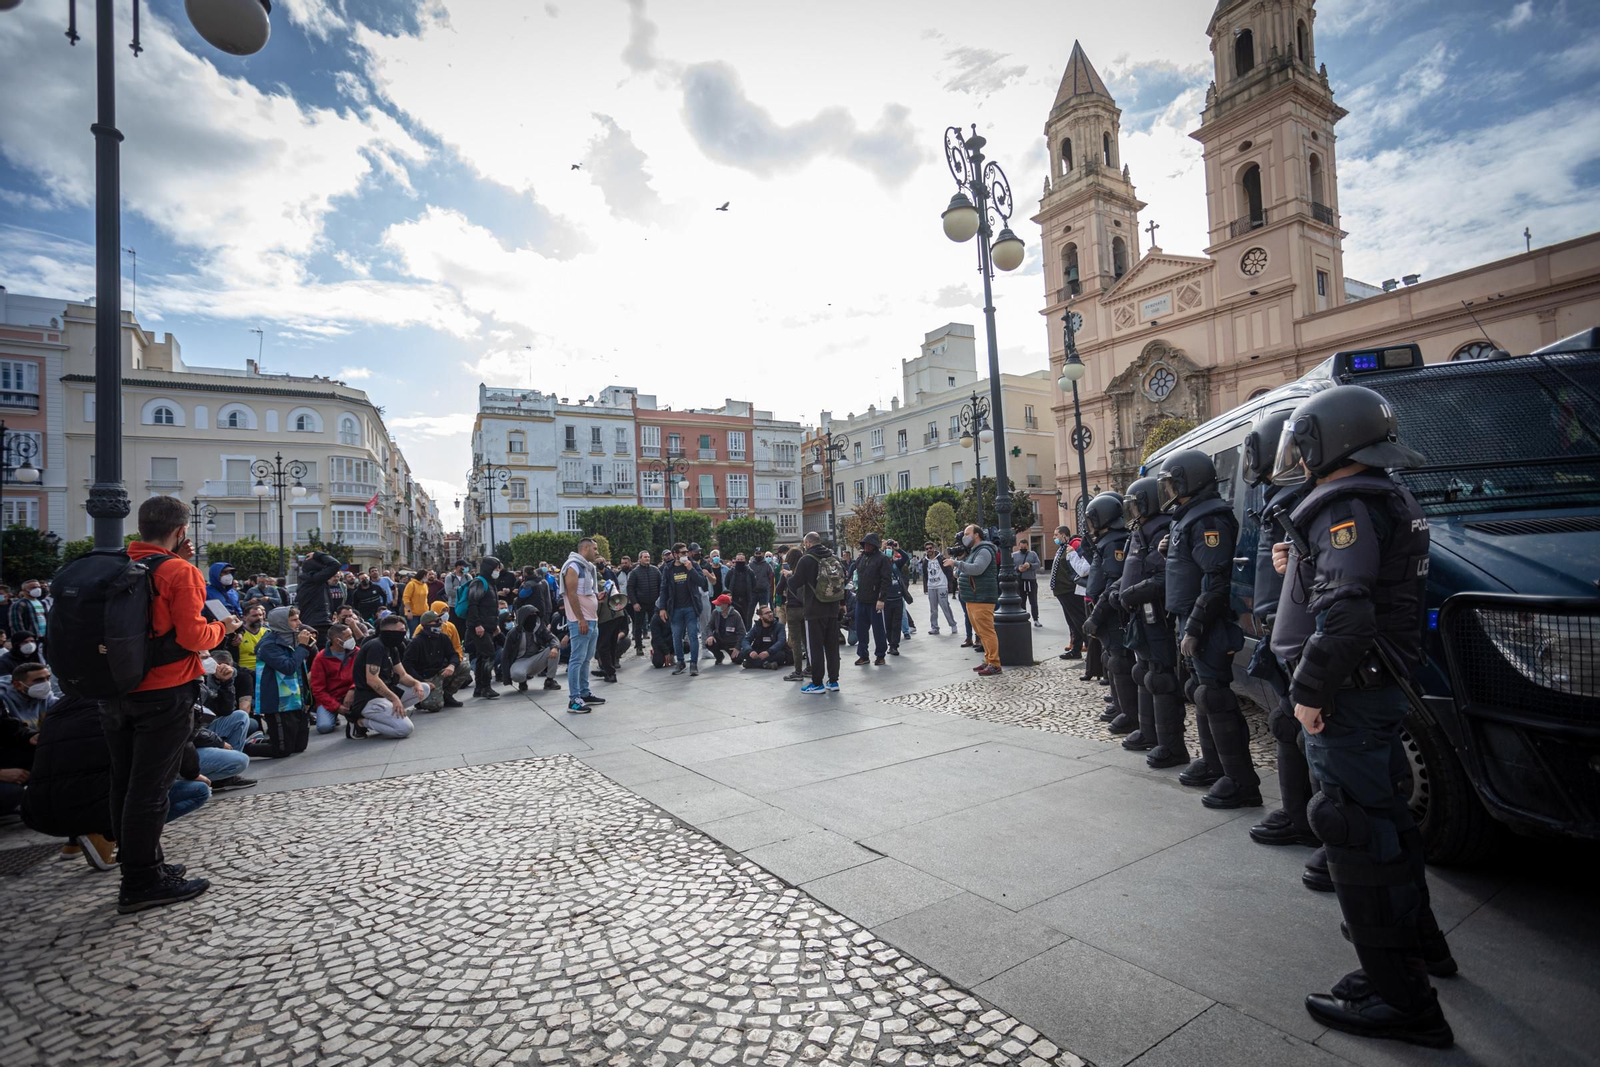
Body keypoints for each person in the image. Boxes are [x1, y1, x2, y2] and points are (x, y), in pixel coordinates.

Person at [1267, 384, 1455, 1047]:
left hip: (1348, 694)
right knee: (1387, 821)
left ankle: (1401, 998)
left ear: (1327, 442)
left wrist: (1309, 691)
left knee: (1351, 830)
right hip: (1374, 688)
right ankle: (1420, 950)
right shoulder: (1384, 493)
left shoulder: (1346, 502)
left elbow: (1347, 612)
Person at [101, 495, 240, 912]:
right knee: (151, 788)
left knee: (124, 781)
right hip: (164, 691)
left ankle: (141, 864)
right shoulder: (180, 571)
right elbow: (193, 638)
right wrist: (223, 627)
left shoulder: (119, 565)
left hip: (117, 689)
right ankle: (141, 882)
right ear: (181, 531)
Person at [1158, 449, 1261, 809]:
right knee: (1200, 692)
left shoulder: (1208, 519)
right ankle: (1215, 764)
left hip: (1206, 623)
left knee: (1215, 696)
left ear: (1189, 481)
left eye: (1172, 483)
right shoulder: (1189, 518)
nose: (1167, 490)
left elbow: (1215, 581)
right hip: (1189, 618)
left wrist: (1196, 627)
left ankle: (1241, 781)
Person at [1117, 478, 1182, 760]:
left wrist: (1132, 593)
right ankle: (1149, 733)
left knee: (1160, 677)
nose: (1130, 512)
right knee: (1142, 673)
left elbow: (1162, 576)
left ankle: (1172, 746)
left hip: (1155, 613)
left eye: (1134, 505)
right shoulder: (1141, 531)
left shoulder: (1160, 530)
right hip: (1138, 614)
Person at [1081, 492, 1137, 734]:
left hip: (1111, 611)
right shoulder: (1106, 540)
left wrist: (1098, 613)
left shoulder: (1114, 541)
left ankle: (1129, 713)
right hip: (1102, 608)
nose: (1090, 525)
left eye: (1092, 519)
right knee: (1110, 659)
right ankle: (1119, 705)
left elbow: (1113, 580)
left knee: (1118, 661)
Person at [244, 607, 317, 759]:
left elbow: (301, 670)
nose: (299, 623)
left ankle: (271, 739)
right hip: (279, 702)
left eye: (298, 618)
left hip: (297, 699)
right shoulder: (268, 645)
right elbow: (288, 667)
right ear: (281, 622)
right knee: (282, 750)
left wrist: (307, 698)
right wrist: (303, 647)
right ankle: (243, 747)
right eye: (294, 620)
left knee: (299, 747)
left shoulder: (294, 639)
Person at [349, 615, 430, 739]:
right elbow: (372, 680)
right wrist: (394, 699)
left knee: (424, 688)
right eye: (401, 630)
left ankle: (388, 715)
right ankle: (360, 722)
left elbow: (402, 675)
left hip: (386, 693)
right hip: (369, 698)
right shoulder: (375, 646)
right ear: (389, 632)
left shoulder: (392, 648)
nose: (403, 633)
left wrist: (416, 683)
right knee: (405, 729)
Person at [789, 531, 845, 693]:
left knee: (815, 648)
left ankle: (817, 683)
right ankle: (833, 681)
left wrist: (788, 577)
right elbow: (843, 580)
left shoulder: (806, 559)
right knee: (832, 646)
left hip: (814, 609)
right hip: (832, 609)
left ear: (807, 544)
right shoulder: (833, 558)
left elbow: (795, 583)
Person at [953, 525, 1001, 676]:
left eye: (967, 533)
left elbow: (977, 568)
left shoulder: (984, 550)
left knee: (987, 632)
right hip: (973, 597)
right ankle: (988, 660)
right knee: (980, 631)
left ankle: (994, 663)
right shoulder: (975, 551)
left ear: (976, 535)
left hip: (982, 597)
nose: (964, 536)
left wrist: (956, 563)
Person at [657, 543, 709, 678]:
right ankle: (680, 662)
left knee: (693, 635)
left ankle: (693, 663)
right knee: (677, 637)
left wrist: (691, 569)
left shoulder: (692, 565)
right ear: (675, 554)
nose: (685, 555)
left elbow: (702, 582)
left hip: (691, 607)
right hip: (675, 608)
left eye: (686, 552)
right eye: (682, 553)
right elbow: (663, 589)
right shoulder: (668, 569)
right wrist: (662, 608)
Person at [404, 611, 469, 711]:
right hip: (426, 677)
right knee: (434, 706)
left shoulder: (443, 638)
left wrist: (451, 665)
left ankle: (447, 696)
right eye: (436, 621)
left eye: (440, 620)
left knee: (464, 666)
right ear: (427, 624)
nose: (440, 623)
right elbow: (407, 665)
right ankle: (421, 700)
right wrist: (420, 681)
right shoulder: (416, 642)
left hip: (441, 671)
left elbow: (453, 654)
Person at [310, 622, 360, 734]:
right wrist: (336, 707)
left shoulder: (356, 652)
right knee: (324, 727)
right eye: (348, 637)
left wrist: (353, 689)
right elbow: (318, 689)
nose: (352, 639)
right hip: (331, 697)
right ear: (337, 641)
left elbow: (363, 675)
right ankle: (334, 715)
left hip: (353, 694)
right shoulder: (321, 658)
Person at [851, 533, 893, 666]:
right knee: (860, 629)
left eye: (869, 545)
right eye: (865, 544)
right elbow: (855, 574)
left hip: (875, 601)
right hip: (861, 599)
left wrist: (881, 599)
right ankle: (863, 655)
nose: (867, 547)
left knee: (878, 630)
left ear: (874, 546)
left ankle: (880, 655)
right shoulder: (861, 558)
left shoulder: (882, 559)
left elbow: (886, 580)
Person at [464, 556, 503, 699]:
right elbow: (473, 604)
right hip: (479, 626)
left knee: (482, 655)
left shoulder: (490, 583)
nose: (497, 571)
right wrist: (477, 624)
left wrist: (495, 625)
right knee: (488, 654)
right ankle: (486, 687)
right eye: (495, 568)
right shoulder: (479, 582)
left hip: (487, 625)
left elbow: (491, 607)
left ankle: (480, 688)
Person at [1049, 529, 1090, 659]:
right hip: (1062, 590)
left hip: (1070, 589)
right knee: (1072, 622)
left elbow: (1081, 566)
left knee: (1079, 620)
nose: (1054, 537)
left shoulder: (1074, 545)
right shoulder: (1062, 548)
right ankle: (1076, 648)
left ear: (1063, 535)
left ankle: (1091, 648)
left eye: (1056, 534)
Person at [294, 550, 343, 647]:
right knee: (321, 654)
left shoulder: (307, 580)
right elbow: (335, 565)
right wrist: (317, 554)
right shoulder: (315, 579)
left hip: (311, 622)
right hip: (319, 624)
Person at [917, 543, 958, 635]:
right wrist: (926, 588)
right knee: (933, 608)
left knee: (945, 606)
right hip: (931, 586)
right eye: (927, 548)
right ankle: (934, 627)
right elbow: (925, 574)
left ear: (934, 548)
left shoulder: (941, 559)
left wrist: (950, 585)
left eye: (930, 548)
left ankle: (953, 625)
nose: (929, 550)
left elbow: (949, 571)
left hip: (942, 586)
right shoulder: (925, 561)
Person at [626, 549, 661, 657]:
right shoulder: (635, 572)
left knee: (656, 625)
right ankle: (639, 646)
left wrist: (660, 601)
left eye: (648, 557)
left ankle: (657, 646)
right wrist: (634, 603)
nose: (647, 559)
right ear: (640, 559)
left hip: (654, 604)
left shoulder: (655, 570)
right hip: (640, 603)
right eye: (645, 557)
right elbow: (630, 588)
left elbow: (661, 586)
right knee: (638, 626)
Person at [1, 662, 56, 726]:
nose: (46, 683)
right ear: (18, 685)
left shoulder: (46, 696)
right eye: (38, 680)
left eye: (48, 678)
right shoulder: (3, 701)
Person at [738, 604, 790, 669]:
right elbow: (746, 640)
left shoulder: (779, 626)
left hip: (772, 652)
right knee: (742, 652)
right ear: (761, 617)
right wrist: (750, 651)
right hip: (760, 651)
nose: (770, 614)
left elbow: (781, 641)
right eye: (766, 613)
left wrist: (769, 652)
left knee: (781, 655)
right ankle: (766, 664)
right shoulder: (757, 626)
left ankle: (754, 664)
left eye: (770, 612)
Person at [9, 578, 48, 659]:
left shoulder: (42, 603)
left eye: (38, 587)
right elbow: (16, 624)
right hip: (31, 639)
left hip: (44, 637)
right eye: (33, 588)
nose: (37, 589)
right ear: (24, 591)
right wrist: (23, 639)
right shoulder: (19, 604)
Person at [705, 594, 747, 665]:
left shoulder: (736, 615)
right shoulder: (715, 613)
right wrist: (710, 635)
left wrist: (738, 647)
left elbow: (742, 632)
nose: (716, 606)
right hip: (718, 639)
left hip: (731, 642)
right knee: (709, 644)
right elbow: (709, 626)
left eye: (719, 604)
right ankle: (719, 656)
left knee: (738, 660)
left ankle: (734, 655)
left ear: (725, 605)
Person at [1012, 543, 1043, 626]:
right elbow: (1011, 566)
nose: (1023, 548)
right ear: (1018, 546)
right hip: (1020, 580)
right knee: (1021, 601)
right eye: (1021, 547)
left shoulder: (1033, 554)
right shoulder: (1014, 555)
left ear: (1027, 546)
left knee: (1033, 601)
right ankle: (1023, 618)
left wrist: (1030, 565)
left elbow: (1038, 564)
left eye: (1024, 547)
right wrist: (1017, 568)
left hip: (1031, 580)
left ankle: (1036, 619)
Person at [725, 553, 759, 626]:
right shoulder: (731, 572)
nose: (740, 561)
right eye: (738, 560)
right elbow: (726, 583)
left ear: (745, 560)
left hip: (746, 599)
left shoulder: (750, 572)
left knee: (746, 618)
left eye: (741, 560)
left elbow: (754, 584)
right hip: (733, 599)